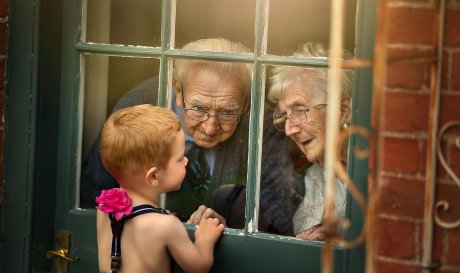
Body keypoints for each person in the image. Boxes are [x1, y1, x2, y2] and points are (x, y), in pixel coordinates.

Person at [81, 38, 302, 236]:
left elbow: (279, 216)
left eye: (227, 112)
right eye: (198, 108)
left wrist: (231, 227)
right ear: (178, 91)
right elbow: (93, 200)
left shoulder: (263, 124)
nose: (210, 127)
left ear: (246, 103)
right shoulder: (137, 108)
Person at [87, 104, 224, 273]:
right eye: (179, 159)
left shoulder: (106, 207)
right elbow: (198, 267)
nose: (186, 161)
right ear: (153, 176)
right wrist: (205, 240)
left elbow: (134, 234)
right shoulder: (166, 226)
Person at [268, 42, 352, 241]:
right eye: (285, 115)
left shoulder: (377, 175)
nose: (289, 129)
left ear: (343, 110)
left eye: (300, 110)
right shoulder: (314, 177)